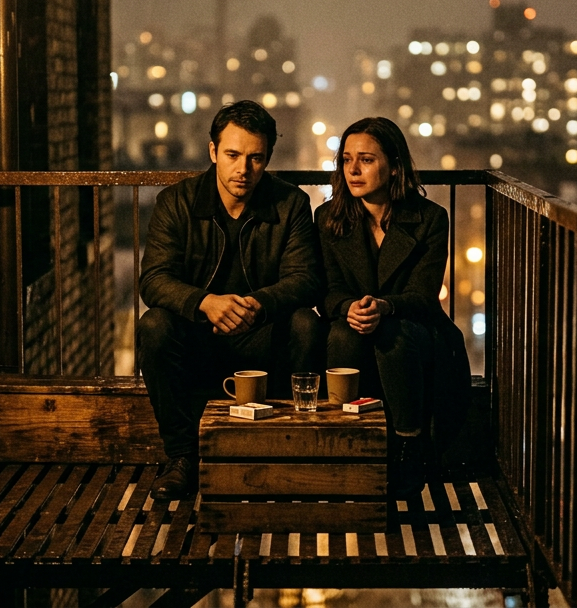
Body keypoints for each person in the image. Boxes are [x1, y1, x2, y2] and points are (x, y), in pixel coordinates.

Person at [138, 100, 325, 499]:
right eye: (233, 155)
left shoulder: (290, 203)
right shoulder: (177, 202)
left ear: (269, 157)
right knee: (152, 325)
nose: (244, 169)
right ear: (212, 152)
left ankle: (294, 448)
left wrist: (257, 304)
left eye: (256, 158)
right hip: (199, 334)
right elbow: (153, 279)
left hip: (262, 334)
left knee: (306, 323)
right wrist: (206, 303)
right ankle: (182, 457)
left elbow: (305, 280)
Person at [315, 117, 468, 497]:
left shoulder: (430, 218)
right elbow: (326, 288)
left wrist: (384, 306)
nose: (352, 169)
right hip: (352, 324)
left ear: (395, 166)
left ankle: (407, 445)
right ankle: (347, 443)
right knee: (341, 334)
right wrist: (348, 306)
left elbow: (423, 295)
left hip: (414, 328)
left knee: (393, 336)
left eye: (365, 159)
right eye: (346, 159)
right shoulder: (329, 217)